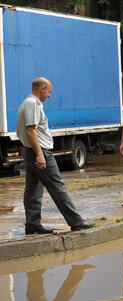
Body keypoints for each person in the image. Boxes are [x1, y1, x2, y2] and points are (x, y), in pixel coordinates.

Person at [17, 77, 94, 235]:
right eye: (49, 91)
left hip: (31, 150)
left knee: (33, 189)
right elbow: (30, 130)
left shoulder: (31, 103)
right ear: (42, 89)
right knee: (57, 187)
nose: (50, 95)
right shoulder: (32, 103)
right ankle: (76, 222)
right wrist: (40, 154)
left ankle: (32, 224)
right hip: (39, 150)